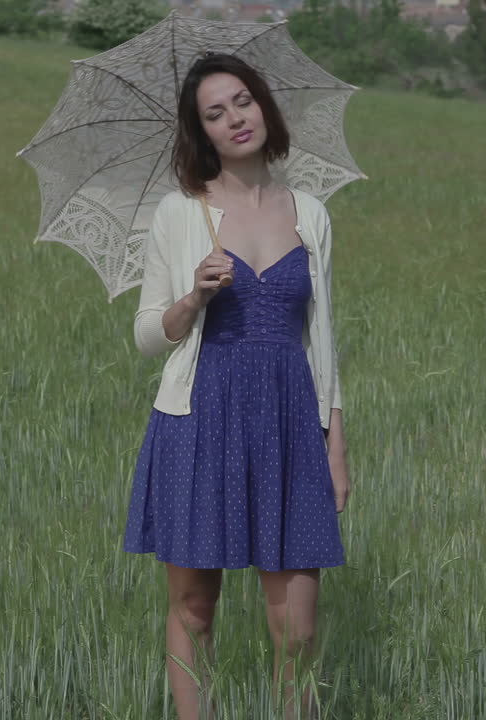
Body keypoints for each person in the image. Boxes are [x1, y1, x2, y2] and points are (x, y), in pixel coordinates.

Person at [122, 52, 351, 720]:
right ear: (203, 133)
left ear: (264, 107)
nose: (234, 119)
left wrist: (335, 444)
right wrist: (191, 297)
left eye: (242, 101)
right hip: (200, 417)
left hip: (288, 423)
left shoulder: (310, 214)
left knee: (297, 631)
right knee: (195, 608)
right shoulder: (178, 212)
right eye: (214, 113)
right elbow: (146, 333)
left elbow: (326, 340)